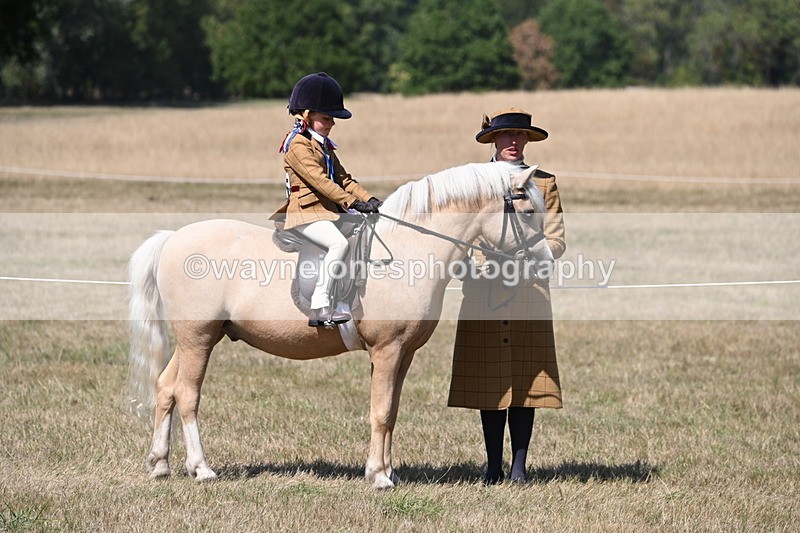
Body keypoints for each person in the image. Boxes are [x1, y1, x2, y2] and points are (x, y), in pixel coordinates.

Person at [447, 108, 566, 484]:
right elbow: (458, 237)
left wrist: (527, 254)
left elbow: (557, 240)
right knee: (490, 384)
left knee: (526, 383)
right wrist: (467, 264)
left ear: (528, 140)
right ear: (493, 140)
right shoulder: (473, 184)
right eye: (507, 136)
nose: (514, 142)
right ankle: (491, 467)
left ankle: (519, 468)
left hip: (529, 291)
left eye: (520, 136)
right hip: (484, 291)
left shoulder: (544, 184)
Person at [272, 72, 382, 327]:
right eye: (326, 118)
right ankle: (320, 306)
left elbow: (344, 179)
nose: (332, 123)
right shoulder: (297, 146)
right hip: (306, 213)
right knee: (338, 245)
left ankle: (346, 298)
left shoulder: (323, 145)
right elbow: (321, 181)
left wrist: (372, 199)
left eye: (332, 118)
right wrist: (352, 204)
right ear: (307, 115)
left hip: (327, 211)